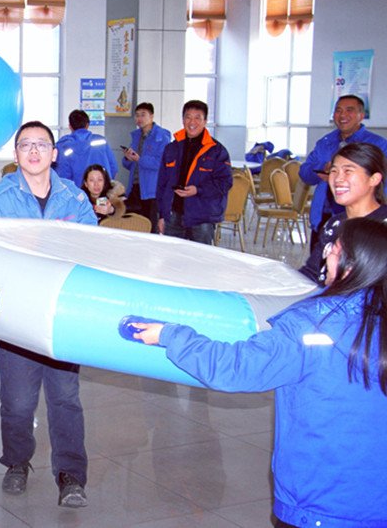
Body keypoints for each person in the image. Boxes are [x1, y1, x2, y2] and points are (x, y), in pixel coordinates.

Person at [131, 217, 387, 528]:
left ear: (352, 265)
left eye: (334, 249)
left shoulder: (311, 328)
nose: (326, 254)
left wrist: (170, 335)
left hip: (319, 503)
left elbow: (234, 368)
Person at [0, 120, 97, 508]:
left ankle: (71, 475)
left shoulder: (75, 199)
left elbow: (93, 251)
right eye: (26, 145)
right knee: (17, 401)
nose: (34, 151)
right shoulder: (1, 199)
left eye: (41, 144)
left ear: (54, 153)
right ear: (16, 155)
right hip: (17, 314)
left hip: (63, 313)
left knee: (65, 398)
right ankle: (17, 461)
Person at [299, 95, 387, 246]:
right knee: (320, 257)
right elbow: (305, 173)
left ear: (361, 116)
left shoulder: (377, 144)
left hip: (362, 220)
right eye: (338, 110)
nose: (342, 115)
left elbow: (383, 181)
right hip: (324, 216)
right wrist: (323, 170)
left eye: (349, 110)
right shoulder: (325, 142)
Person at [300, 142, 387, 286]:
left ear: (374, 179)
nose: (338, 179)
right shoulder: (333, 225)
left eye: (348, 171)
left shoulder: (382, 227)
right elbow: (311, 273)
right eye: (333, 171)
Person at [156, 99, 232, 245]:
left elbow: (225, 182)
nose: (192, 122)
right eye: (188, 117)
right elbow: (162, 184)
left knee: (201, 257)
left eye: (197, 117)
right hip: (173, 216)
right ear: (183, 120)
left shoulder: (216, 151)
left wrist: (198, 190)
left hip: (202, 217)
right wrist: (162, 215)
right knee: (173, 256)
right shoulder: (171, 148)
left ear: (205, 121)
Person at [122, 102, 171, 225]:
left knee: (150, 225)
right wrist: (128, 158)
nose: (139, 118)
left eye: (143, 115)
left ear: (152, 116)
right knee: (134, 225)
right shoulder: (136, 136)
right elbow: (130, 165)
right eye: (137, 115)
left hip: (151, 189)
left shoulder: (161, 137)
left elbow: (161, 163)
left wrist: (140, 160)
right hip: (135, 186)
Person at [53, 109, 118, 187]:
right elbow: (114, 167)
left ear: (70, 126)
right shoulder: (101, 141)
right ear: (87, 125)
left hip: (78, 192)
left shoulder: (63, 146)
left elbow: (63, 176)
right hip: (102, 189)